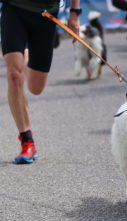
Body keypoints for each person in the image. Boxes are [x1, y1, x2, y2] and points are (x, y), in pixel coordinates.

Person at [1, 0, 81, 164]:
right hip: (14, 8)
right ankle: (27, 140)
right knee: (14, 75)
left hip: (46, 13)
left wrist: (74, 14)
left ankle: (25, 56)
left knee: (36, 88)